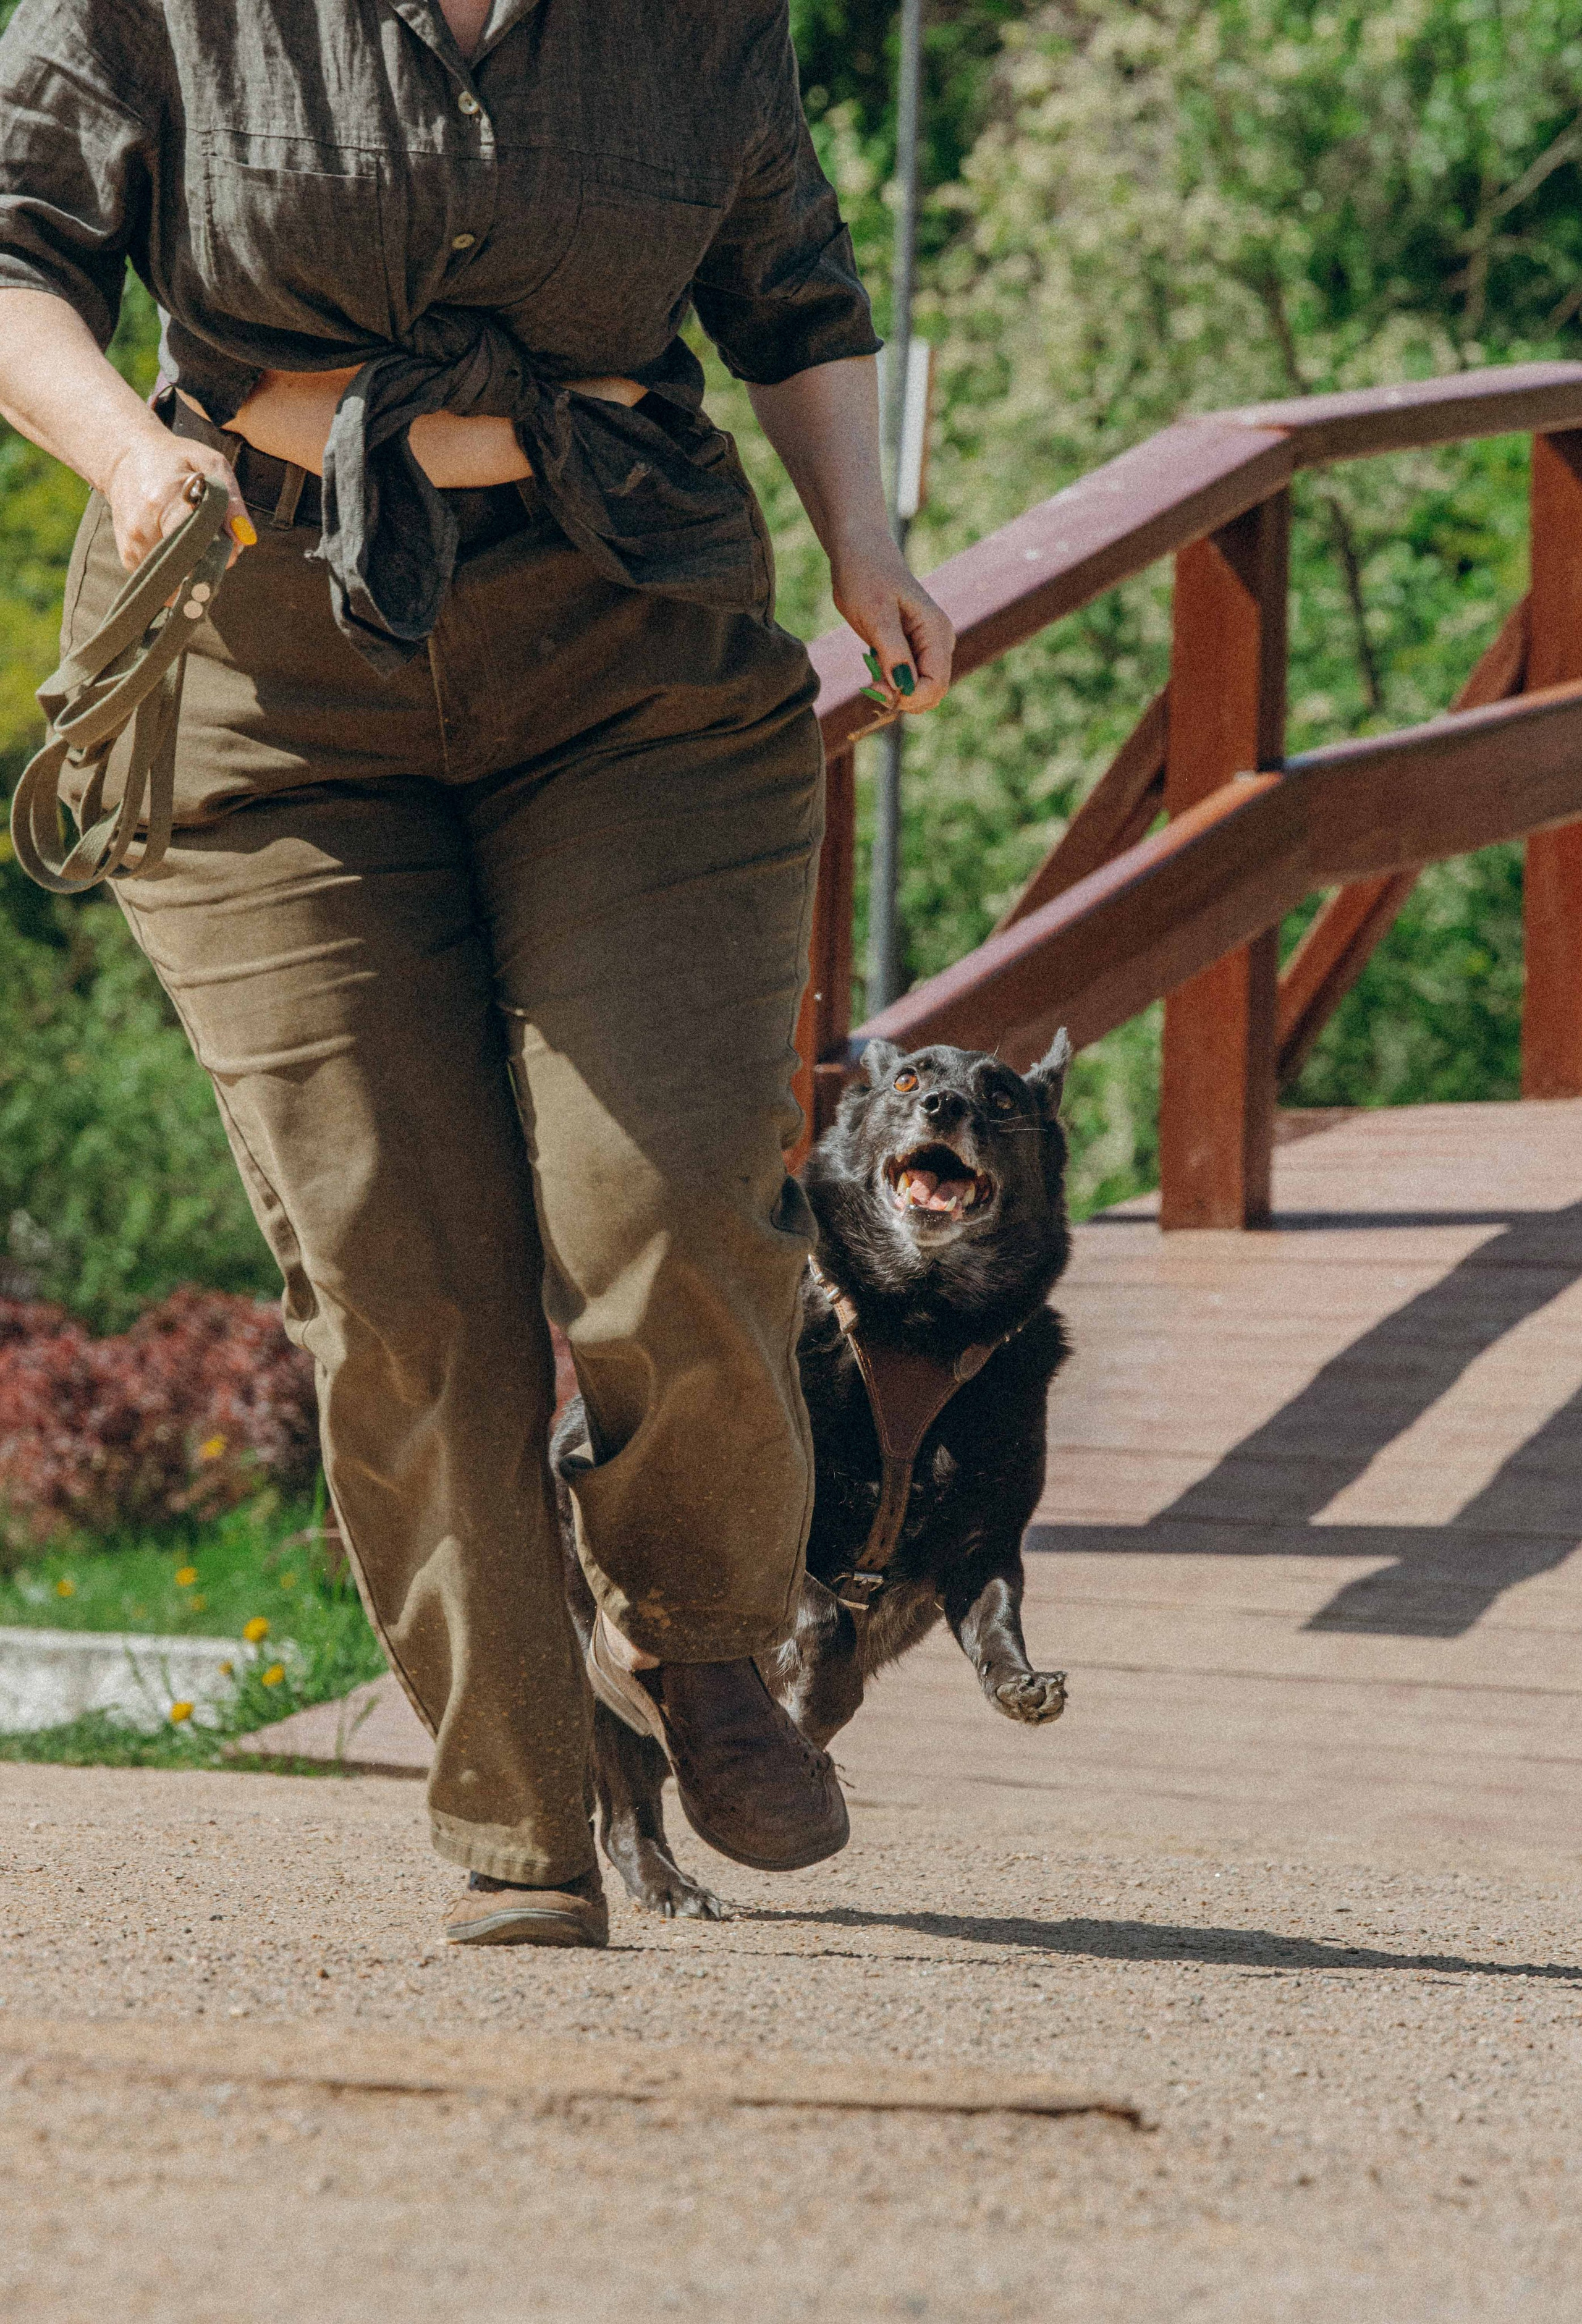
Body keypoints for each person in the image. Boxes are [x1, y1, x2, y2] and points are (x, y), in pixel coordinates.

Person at [0, 0, 953, 1950]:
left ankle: (698, 1644)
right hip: (258, 661)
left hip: (628, 647)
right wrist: (118, 454)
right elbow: (16, 242)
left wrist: (869, 544)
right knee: (393, 1254)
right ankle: (519, 1798)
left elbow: (793, 284)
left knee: (670, 1194)